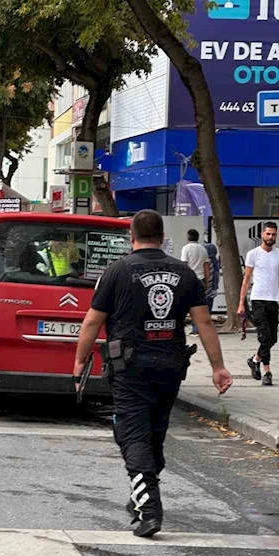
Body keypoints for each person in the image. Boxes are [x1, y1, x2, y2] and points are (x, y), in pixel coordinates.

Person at [74, 210, 233, 538]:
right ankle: (141, 494)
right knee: (154, 435)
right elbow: (204, 322)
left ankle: (149, 508)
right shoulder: (184, 272)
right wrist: (218, 367)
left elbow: (92, 321)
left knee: (132, 435)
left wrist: (79, 361)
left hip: (130, 368)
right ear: (162, 237)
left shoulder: (116, 272)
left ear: (131, 236)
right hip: (170, 366)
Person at [238, 220, 279, 387]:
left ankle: (254, 359)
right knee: (265, 336)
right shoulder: (253, 254)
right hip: (258, 299)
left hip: (274, 299)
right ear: (262, 234)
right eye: (268, 234)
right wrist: (241, 302)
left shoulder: (278, 254)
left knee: (273, 338)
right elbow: (246, 279)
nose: (270, 237)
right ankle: (267, 372)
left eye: (273, 234)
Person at [181, 229, 210, 335]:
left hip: (189, 279)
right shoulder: (203, 249)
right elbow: (206, 266)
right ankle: (196, 328)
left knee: (186, 304)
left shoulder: (186, 248)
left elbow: (184, 265)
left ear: (188, 237)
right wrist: (206, 282)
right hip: (201, 278)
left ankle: (186, 327)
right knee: (198, 305)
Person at [204, 241, 220, 316]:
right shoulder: (215, 262)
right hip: (212, 291)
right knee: (208, 311)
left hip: (205, 291)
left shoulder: (206, 262)